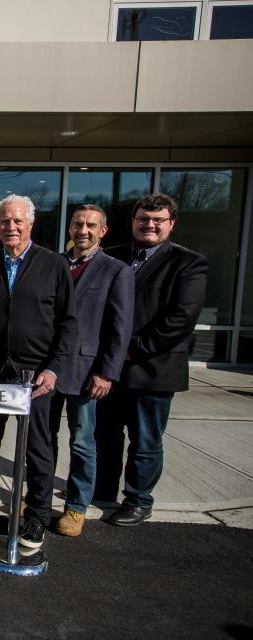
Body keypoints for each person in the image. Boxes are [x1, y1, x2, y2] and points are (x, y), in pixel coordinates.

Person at [0, 194, 77, 551]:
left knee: (37, 449)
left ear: (31, 224)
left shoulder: (53, 265)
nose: (11, 227)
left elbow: (68, 324)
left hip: (36, 378)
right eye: (5, 221)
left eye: (18, 221)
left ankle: (35, 517)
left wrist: (53, 369)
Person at [96, 194, 208, 526]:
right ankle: (102, 490)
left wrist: (128, 350)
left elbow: (179, 320)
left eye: (158, 220)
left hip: (152, 369)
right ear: (133, 221)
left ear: (171, 224)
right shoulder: (111, 256)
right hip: (109, 372)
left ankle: (138, 500)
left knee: (145, 440)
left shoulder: (189, 263)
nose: (150, 225)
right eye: (144, 219)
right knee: (106, 435)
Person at [47, 204, 135, 537]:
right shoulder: (55, 263)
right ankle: (38, 494)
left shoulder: (116, 271)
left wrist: (107, 372)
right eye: (77, 224)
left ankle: (76, 506)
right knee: (43, 438)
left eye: (90, 225)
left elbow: (119, 328)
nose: (83, 230)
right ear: (69, 228)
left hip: (86, 372)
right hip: (48, 369)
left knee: (83, 441)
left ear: (103, 231)